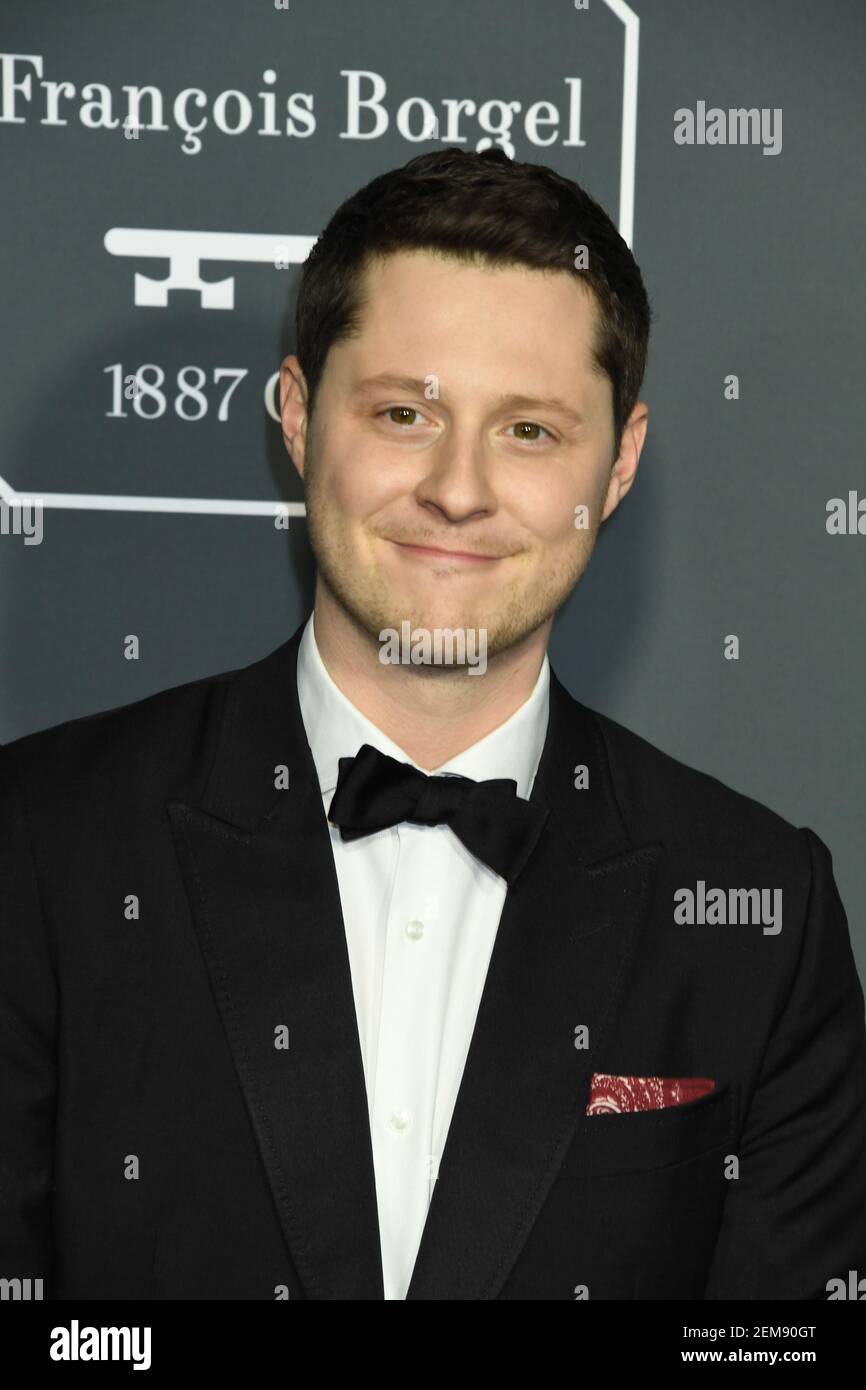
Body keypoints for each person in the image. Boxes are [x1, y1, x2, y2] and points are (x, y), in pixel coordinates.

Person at [2, 149, 865, 1301]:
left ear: (617, 466)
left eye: (528, 432)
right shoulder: (43, 844)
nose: (457, 489)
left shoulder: (760, 909)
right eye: (404, 412)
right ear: (300, 419)